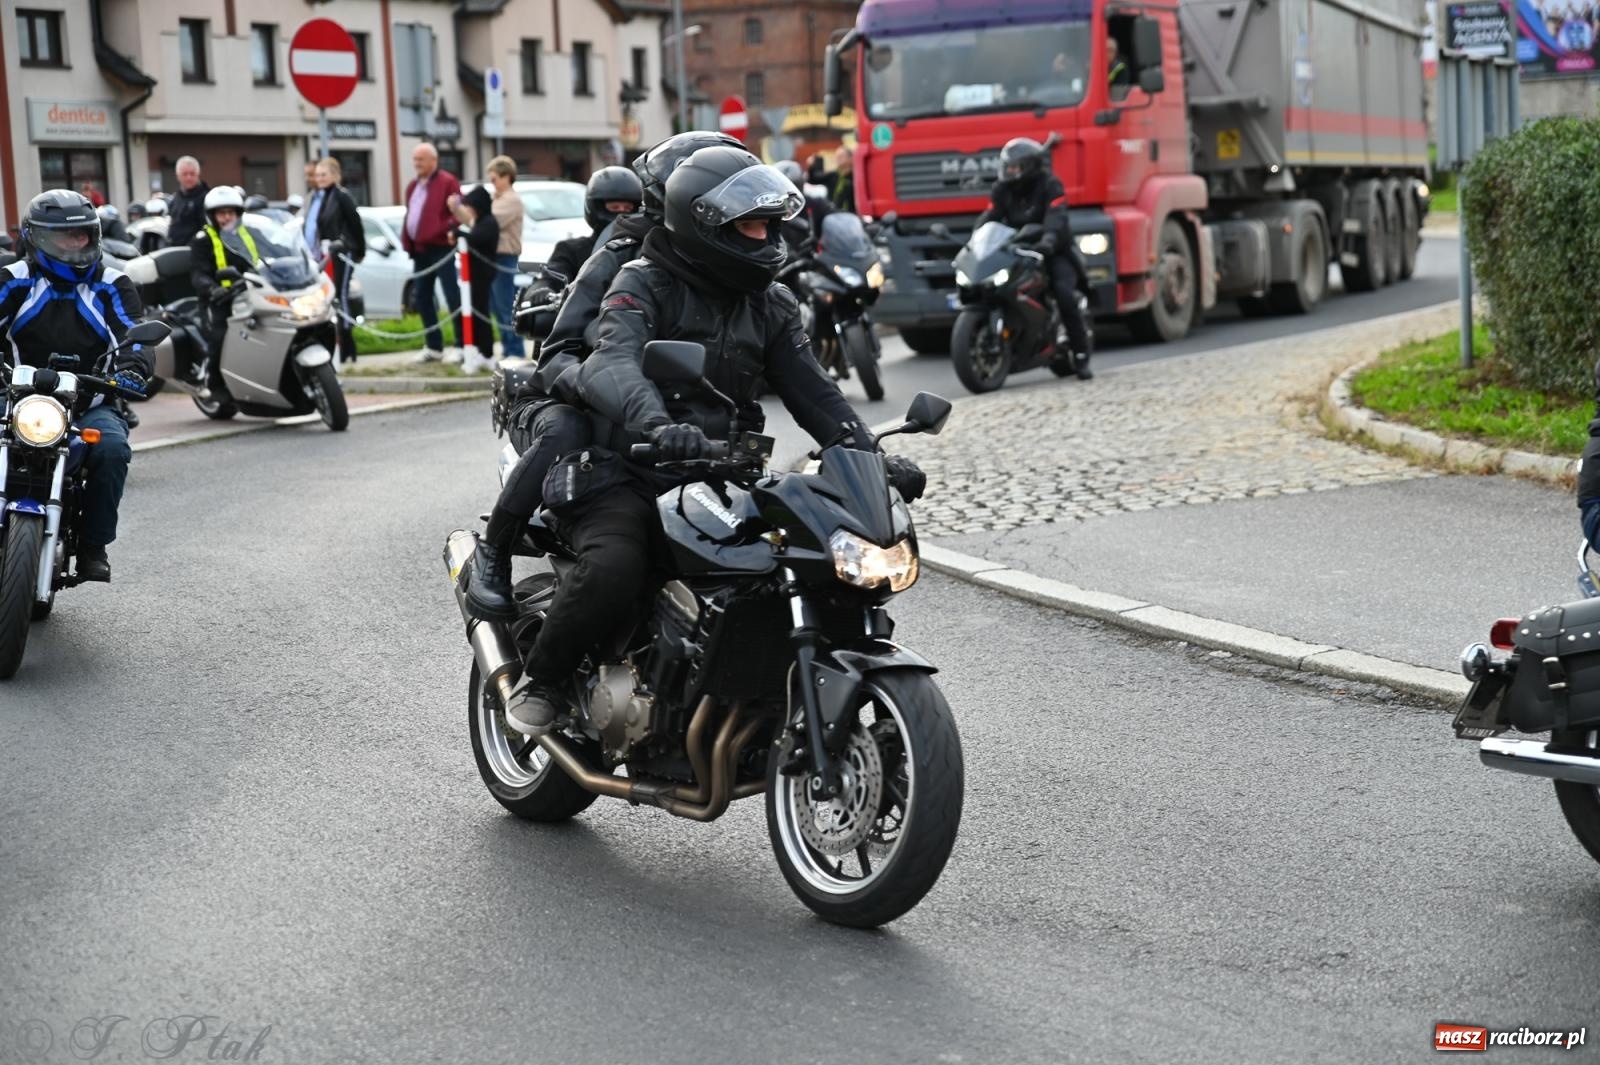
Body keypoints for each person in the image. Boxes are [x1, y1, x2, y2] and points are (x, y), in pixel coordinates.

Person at [483, 147, 925, 736]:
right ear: (702, 222)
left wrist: (871, 458)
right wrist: (657, 425)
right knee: (615, 564)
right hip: (627, 464)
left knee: (791, 558)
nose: (766, 236)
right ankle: (544, 679)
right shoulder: (640, 279)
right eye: (750, 225)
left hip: (722, 470)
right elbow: (613, 361)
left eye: (770, 224)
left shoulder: (771, 304)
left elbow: (817, 395)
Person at [462, 131, 743, 624]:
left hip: (642, 406)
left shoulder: (724, 264)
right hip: (573, 396)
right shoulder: (616, 252)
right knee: (568, 430)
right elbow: (563, 350)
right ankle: (494, 552)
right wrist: (605, 382)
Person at [0, 190, 150, 582]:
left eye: (83, 236)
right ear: (37, 239)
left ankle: (93, 545)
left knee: (113, 449)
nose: (77, 245)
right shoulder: (14, 279)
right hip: (16, 396)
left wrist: (134, 368)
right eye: (65, 237)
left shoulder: (112, 283)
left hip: (89, 399)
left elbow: (133, 335)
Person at [974, 136, 1093, 379]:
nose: (1009, 171)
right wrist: (976, 240)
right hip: (1018, 249)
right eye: (1007, 166)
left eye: (1015, 167)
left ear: (1029, 167)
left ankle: (1080, 355)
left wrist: (1048, 240)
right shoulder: (1002, 189)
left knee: (1063, 294)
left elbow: (1056, 217)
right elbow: (991, 217)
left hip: (1053, 250)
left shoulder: (1050, 185)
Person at [187, 186, 263, 389]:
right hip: (218, 300)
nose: (227, 217)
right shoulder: (202, 240)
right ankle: (214, 386)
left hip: (249, 293)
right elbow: (198, 274)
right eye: (222, 213)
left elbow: (270, 254)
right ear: (212, 215)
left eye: (231, 212)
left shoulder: (248, 235)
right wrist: (212, 289)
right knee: (220, 338)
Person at [401, 143, 464, 364]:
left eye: (421, 159)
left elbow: (458, 211)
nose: (416, 164)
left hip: (441, 249)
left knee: (452, 296)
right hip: (420, 250)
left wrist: (447, 229)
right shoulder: (412, 186)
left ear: (433, 161)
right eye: (415, 159)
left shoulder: (447, 181)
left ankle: (461, 345)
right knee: (423, 298)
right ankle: (434, 345)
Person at [304, 157, 366, 366]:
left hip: (342, 252)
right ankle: (336, 342)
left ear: (335, 176)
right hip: (325, 253)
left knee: (341, 296)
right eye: (318, 175)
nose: (320, 178)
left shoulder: (342, 197)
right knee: (329, 297)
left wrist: (357, 249)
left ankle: (348, 344)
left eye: (324, 174)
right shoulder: (319, 198)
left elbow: (355, 223)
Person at [544, 167, 644, 291]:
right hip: (586, 309)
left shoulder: (644, 249)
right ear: (595, 207)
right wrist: (542, 289)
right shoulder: (571, 250)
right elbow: (552, 277)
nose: (621, 213)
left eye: (627, 208)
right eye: (614, 207)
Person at [447, 184, 500, 374]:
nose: (468, 209)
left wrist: (458, 233)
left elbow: (476, 238)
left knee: (481, 313)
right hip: (474, 275)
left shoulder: (488, 223)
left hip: (482, 275)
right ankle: (479, 350)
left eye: (470, 206)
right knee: (475, 312)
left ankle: (486, 353)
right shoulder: (479, 221)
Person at [165, 156, 210, 248]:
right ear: (178, 176)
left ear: (198, 174)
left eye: (192, 174)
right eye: (185, 174)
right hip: (175, 250)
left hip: (197, 251)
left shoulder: (207, 198)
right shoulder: (176, 198)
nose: (188, 178)